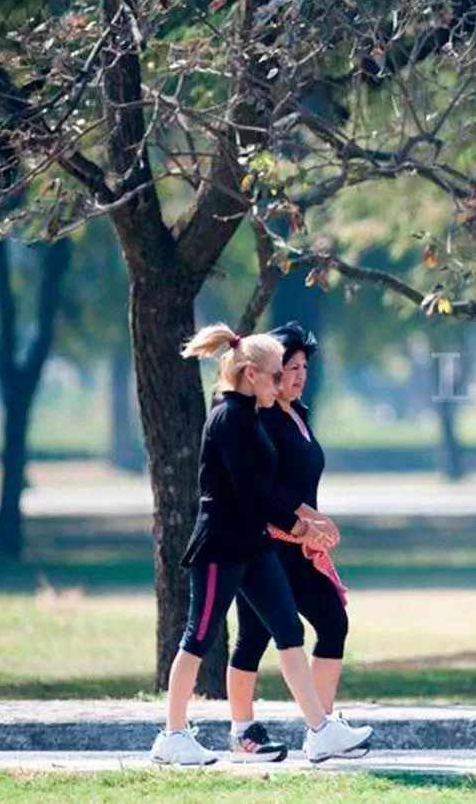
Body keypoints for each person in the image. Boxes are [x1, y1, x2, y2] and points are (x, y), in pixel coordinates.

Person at [149, 323, 372, 766]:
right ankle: (171, 736)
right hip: (221, 547)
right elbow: (252, 492)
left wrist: (302, 522)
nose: (283, 383)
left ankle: (320, 730)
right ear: (251, 375)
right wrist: (300, 524)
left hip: (253, 545)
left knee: (288, 630)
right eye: (276, 375)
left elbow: (263, 491)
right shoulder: (230, 418)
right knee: (199, 635)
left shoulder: (251, 418)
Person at [226, 322, 357, 762]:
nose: (299, 375)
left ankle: (320, 727)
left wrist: (313, 522)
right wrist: (308, 515)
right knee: (254, 636)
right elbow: (263, 488)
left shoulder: (299, 413)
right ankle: (241, 730)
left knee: (333, 622)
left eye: (304, 366)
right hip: (267, 542)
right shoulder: (259, 420)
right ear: (268, 371)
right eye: (290, 367)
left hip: (301, 545)